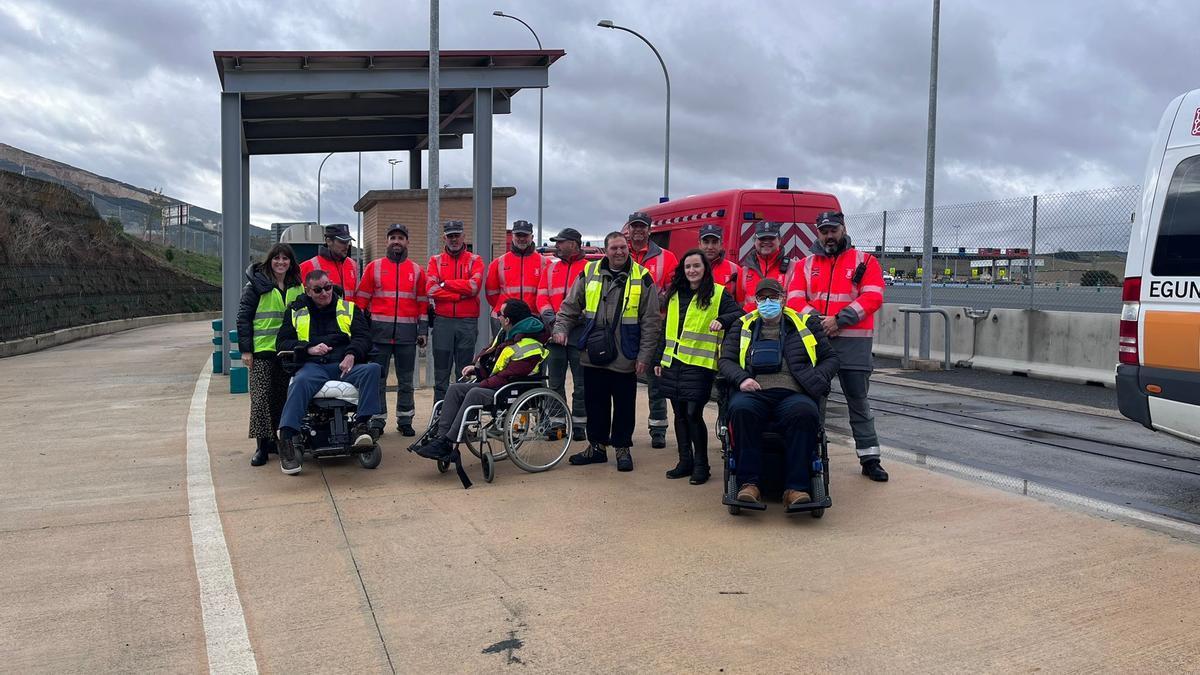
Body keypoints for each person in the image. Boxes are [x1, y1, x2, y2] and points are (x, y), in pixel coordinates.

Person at [786, 210, 889, 482]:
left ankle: (870, 459)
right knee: (814, 401)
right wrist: (819, 322)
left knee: (858, 402)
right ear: (817, 232)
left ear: (842, 229)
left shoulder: (865, 261)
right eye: (824, 231)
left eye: (833, 230)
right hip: (816, 344)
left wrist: (839, 320)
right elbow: (794, 299)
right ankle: (813, 454)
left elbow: (873, 297)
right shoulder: (804, 265)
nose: (829, 236)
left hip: (853, 346)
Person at [719, 279, 840, 506]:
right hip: (754, 391)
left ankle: (796, 488)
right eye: (762, 298)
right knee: (741, 410)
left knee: (804, 413)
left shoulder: (806, 324)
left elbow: (831, 359)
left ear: (783, 298)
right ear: (755, 301)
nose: (767, 302)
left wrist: (814, 380)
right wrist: (742, 378)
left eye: (772, 297)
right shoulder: (742, 325)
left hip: (793, 392)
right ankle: (749, 484)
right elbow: (725, 360)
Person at [553, 231, 662, 472]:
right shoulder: (589, 273)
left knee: (624, 405)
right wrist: (560, 328)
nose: (619, 252)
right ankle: (597, 448)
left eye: (623, 247)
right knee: (595, 403)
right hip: (594, 352)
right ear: (606, 250)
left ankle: (622, 448)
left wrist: (644, 356)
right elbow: (570, 307)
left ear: (628, 248)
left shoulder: (642, 277)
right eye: (614, 248)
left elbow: (652, 321)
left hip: (626, 353)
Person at [412, 299, 548, 463]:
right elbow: (488, 353)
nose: (498, 317)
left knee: (474, 392)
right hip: (499, 384)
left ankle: (449, 441)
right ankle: (442, 439)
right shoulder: (506, 334)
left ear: (508, 320)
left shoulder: (529, 345)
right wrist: (474, 367)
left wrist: (482, 382)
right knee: (455, 389)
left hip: (514, 389)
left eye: (500, 314)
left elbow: (507, 375)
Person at [276, 270, 382, 475]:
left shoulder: (349, 308)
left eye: (328, 287)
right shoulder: (296, 311)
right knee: (300, 382)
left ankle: (361, 426)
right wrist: (308, 348)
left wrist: (351, 354)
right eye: (318, 290)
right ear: (308, 291)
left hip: (344, 364)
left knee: (373, 369)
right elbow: (282, 342)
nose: (324, 292)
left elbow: (363, 337)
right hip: (314, 365)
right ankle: (287, 439)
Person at [654, 249, 743, 484]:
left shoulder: (717, 293)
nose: (692, 271)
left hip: (700, 364)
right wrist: (658, 359)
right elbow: (666, 330)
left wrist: (722, 320)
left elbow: (739, 314)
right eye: (688, 267)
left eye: (696, 266)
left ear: (705, 269)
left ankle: (702, 465)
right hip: (673, 362)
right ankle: (685, 461)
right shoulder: (674, 294)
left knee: (694, 413)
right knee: (679, 414)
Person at [356, 223, 428, 436]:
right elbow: (361, 302)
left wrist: (422, 331)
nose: (396, 241)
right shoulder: (374, 267)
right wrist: (361, 332)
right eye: (392, 237)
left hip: (407, 337)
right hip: (378, 336)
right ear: (386, 241)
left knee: (406, 381)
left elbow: (422, 303)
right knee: (378, 380)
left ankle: (405, 420)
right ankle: (377, 420)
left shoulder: (416, 271)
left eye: (401, 237)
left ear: (407, 242)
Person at [236, 243, 303, 467]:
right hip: (262, 350)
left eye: (285, 259)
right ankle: (261, 447)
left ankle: (276, 441)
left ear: (291, 263)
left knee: (281, 399)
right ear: (269, 261)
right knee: (261, 399)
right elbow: (243, 318)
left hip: (287, 352)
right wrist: (245, 350)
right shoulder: (255, 285)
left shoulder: (297, 286)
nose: (281, 262)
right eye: (277, 258)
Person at [624, 211, 678, 449]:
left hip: (655, 327)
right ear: (629, 229)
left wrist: (657, 300)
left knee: (655, 380)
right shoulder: (618, 254)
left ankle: (658, 428)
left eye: (642, 227)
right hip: (624, 327)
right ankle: (623, 430)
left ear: (649, 230)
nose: (638, 230)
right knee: (623, 382)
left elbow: (674, 290)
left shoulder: (667, 258)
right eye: (634, 226)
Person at [536, 227, 589, 442]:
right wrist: (552, 321)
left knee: (581, 383)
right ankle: (557, 425)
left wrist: (573, 322)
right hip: (554, 334)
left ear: (574, 244)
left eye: (561, 242)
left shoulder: (590, 268)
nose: (556, 246)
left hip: (580, 333)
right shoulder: (551, 268)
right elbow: (542, 297)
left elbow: (593, 301)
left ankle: (579, 425)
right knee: (555, 382)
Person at [427, 220, 484, 403]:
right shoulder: (435, 260)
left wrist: (446, 284)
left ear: (463, 236)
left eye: (457, 235)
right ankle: (440, 415)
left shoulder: (475, 260)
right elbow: (431, 290)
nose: (454, 239)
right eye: (450, 236)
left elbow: (474, 287)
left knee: (465, 371)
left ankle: (463, 418)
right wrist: (458, 296)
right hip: (443, 321)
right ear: (444, 237)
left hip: (467, 322)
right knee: (441, 373)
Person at [485, 219, 544, 333]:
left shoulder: (544, 263)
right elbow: (491, 294)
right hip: (503, 318)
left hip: (532, 318)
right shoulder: (498, 263)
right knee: (502, 350)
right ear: (512, 236)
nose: (521, 238)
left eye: (525, 235)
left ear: (532, 237)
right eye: (518, 235)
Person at [736, 221, 790, 312]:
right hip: (751, 323)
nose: (766, 242)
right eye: (762, 238)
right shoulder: (744, 271)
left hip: (782, 323)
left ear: (780, 240)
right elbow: (740, 303)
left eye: (771, 238)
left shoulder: (793, 267)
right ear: (754, 241)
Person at [300, 223, 360, 304]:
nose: (346, 246)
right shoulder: (308, 266)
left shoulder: (352, 265)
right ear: (328, 241)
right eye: (342, 242)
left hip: (349, 316)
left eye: (348, 242)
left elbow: (357, 296)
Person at [698, 223, 740, 295]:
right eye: (706, 242)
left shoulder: (735, 270)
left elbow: (740, 303)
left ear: (721, 244)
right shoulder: (690, 269)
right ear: (699, 244)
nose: (710, 247)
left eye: (714, 242)